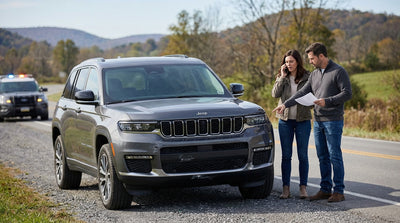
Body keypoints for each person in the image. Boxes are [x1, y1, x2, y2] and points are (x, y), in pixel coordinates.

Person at [272, 42, 352, 202]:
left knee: (334, 155)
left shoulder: (338, 71)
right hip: (318, 120)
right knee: (322, 156)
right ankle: (325, 189)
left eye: (312, 58)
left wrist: (327, 101)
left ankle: (339, 191)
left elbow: (347, 93)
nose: (309, 61)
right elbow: (302, 92)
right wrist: (285, 104)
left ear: (321, 56)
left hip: (333, 120)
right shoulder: (315, 74)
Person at [272, 49, 312, 199]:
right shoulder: (282, 77)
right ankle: (286, 188)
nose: (288, 64)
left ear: (297, 62)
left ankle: (303, 188)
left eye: (291, 61)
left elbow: (312, 95)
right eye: (286, 62)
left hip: (303, 120)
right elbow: (275, 94)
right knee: (286, 156)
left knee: (303, 155)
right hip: (285, 121)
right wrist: (282, 77)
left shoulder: (308, 77)